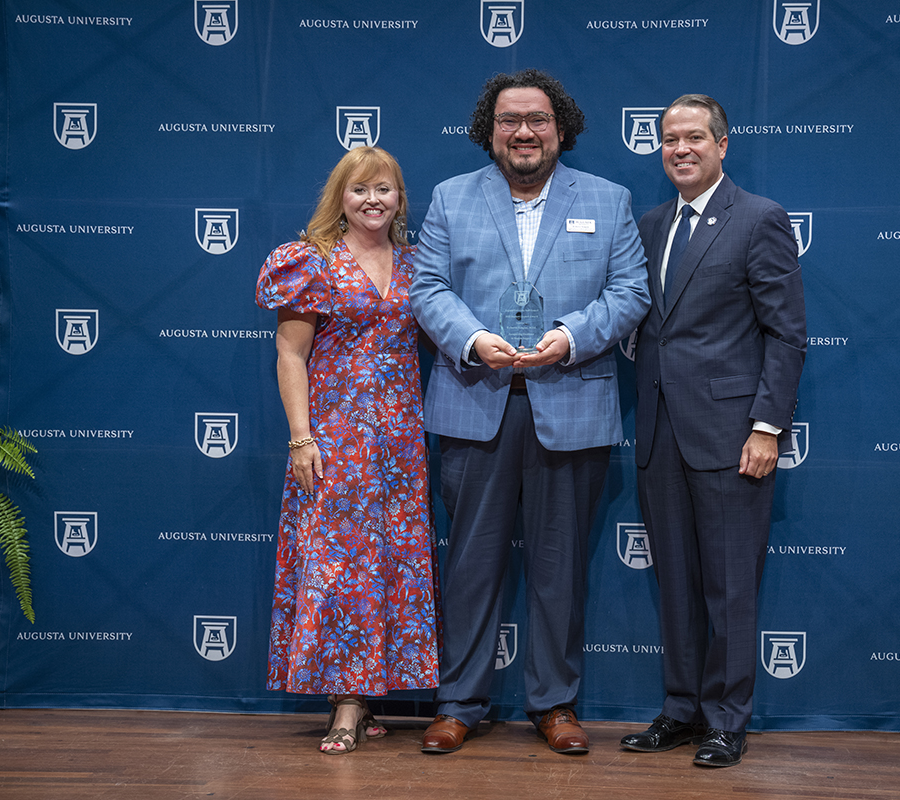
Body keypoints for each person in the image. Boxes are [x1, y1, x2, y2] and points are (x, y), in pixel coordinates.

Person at [409, 69, 649, 755]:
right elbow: (427, 286)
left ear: (561, 128)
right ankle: (460, 702)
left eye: (538, 120)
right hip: (474, 400)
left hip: (570, 402)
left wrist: (570, 337)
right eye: (510, 120)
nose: (524, 131)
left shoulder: (607, 200)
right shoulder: (452, 199)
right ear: (490, 131)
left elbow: (630, 292)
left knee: (558, 567)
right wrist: (470, 338)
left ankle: (554, 704)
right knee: (472, 566)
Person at [621, 94, 806, 768]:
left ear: (722, 145)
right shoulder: (649, 224)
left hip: (732, 435)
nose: (680, 149)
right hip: (659, 431)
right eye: (669, 139)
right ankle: (681, 709)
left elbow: (787, 335)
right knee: (675, 580)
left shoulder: (759, 219)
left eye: (694, 137)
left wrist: (766, 427)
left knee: (729, 583)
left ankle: (727, 720)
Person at [255, 146, 439, 754]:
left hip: (402, 444)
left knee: (394, 567)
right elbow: (290, 354)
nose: (372, 200)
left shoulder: (415, 264)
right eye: (359, 190)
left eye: (383, 189)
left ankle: (371, 694)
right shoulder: (310, 262)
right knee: (344, 569)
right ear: (340, 196)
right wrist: (302, 437)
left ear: (399, 199)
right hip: (338, 441)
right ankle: (346, 703)